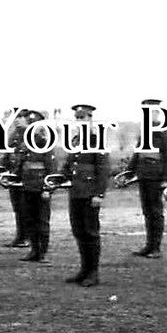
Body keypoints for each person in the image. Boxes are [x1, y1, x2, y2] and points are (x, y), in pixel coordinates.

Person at [63, 104, 108, 287]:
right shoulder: (74, 141)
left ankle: (93, 273)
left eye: (83, 118)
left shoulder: (98, 140)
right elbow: (68, 167)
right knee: (79, 231)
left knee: (90, 232)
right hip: (75, 192)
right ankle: (84, 270)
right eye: (78, 118)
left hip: (90, 193)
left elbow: (103, 169)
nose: (80, 121)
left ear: (91, 119)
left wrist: (99, 194)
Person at [128, 98, 167, 259]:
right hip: (143, 175)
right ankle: (149, 246)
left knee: (155, 211)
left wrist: (165, 179)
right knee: (147, 211)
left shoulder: (164, 132)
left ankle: (156, 248)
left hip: (156, 176)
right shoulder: (145, 132)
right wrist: (129, 172)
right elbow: (138, 154)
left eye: (152, 112)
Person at [17, 110, 56, 263]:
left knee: (42, 222)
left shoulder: (45, 143)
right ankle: (34, 250)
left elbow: (51, 169)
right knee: (29, 220)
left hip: (41, 189)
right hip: (27, 188)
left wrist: (47, 189)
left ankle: (43, 252)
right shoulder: (25, 144)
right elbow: (21, 166)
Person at [1, 109, 31, 248]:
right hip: (14, 177)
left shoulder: (32, 135)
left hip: (26, 178)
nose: (17, 120)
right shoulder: (14, 135)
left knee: (26, 209)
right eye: (16, 117)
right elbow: (8, 156)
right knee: (18, 208)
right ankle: (20, 236)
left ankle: (27, 237)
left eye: (21, 117)